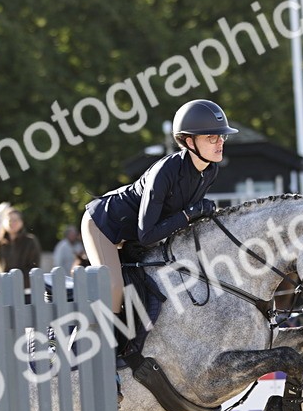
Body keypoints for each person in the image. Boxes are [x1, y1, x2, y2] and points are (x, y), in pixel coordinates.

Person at [82, 98, 236, 314]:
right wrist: (189, 214)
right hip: (104, 224)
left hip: (134, 235)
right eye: (212, 137)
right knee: (114, 289)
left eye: (222, 136)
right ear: (189, 142)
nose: (220, 142)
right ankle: (99, 346)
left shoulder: (210, 171)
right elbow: (147, 235)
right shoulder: (164, 172)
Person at [0, 204, 42, 288]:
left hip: (25, 289)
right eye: (10, 220)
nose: (12, 223)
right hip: (3, 288)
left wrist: (18, 281)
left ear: (21, 222)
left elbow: (34, 266)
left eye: (16, 220)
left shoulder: (30, 241)